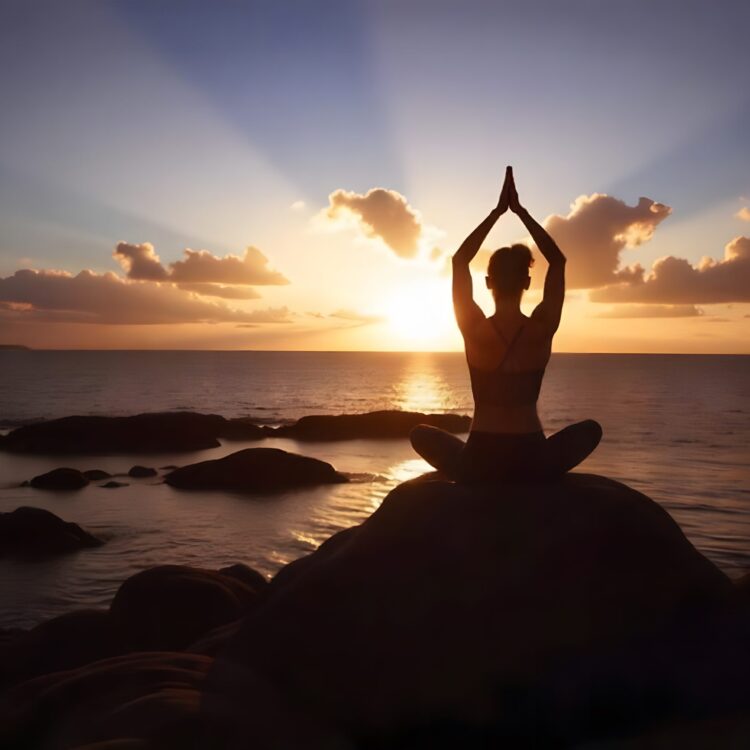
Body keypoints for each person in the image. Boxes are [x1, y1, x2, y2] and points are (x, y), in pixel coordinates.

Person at [410, 166, 602, 483]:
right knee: (591, 430)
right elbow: (558, 261)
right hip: (533, 458)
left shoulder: (474, 329)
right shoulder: (542, 329)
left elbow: (459, 261)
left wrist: (497, 212)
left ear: (488, 282)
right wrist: (521, 212)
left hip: (478, 459)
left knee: (420, 433)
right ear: (527, 282)